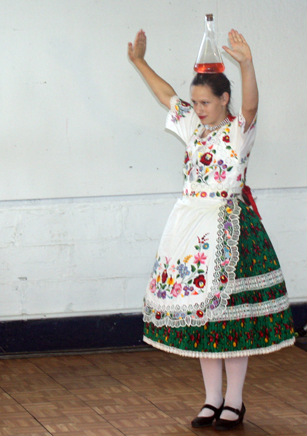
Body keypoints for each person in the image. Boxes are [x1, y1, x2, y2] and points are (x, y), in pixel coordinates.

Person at [128, 29, 295, 430]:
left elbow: (252, 105)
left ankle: (234, 402)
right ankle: (211, 399)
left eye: (205, 102)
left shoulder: (239, 130)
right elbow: (166, 94)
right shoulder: (192, 128)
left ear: (224, 99)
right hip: (190, 226)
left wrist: (247, 64)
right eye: (196, 102)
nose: (198, 108)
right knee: (202, 316)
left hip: (229, 227)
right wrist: (139, 62)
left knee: (233, 319)